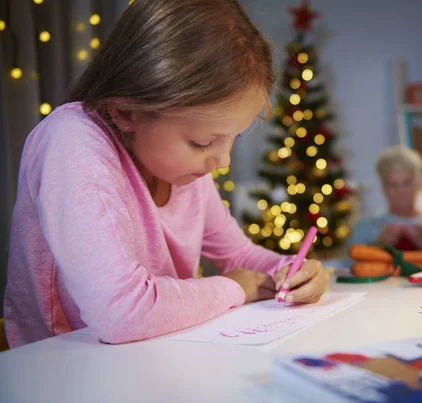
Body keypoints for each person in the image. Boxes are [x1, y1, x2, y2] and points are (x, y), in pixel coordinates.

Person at [4, 0, 328, 348]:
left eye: (232, 139)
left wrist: (293, 272)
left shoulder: (186, 173)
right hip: (59, 370)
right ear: (127, 112)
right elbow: (121, 314)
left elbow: (241, 257)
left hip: (155, 358)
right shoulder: (72, 140)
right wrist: (234, 286)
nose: (222, 163)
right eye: (202, 142)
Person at [346, 145, 422, 255]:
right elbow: (345, 270)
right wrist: (378, 246)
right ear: (383, 188)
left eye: (406, 183)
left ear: (418, 184)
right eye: (393, 185)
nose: (400, 191)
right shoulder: (366, 226)